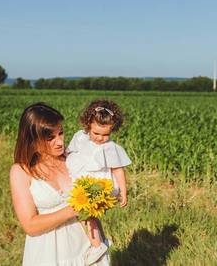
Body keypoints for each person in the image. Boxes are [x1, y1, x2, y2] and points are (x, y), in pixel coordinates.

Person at [9, 102, 110, 265]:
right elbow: (30, 225)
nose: (60, 142)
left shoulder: (73, 159)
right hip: (48, 253)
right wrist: (73, 209)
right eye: (50, 138)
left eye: (61, 133)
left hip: (86, 248)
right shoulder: (21, 171)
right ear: (33, 140)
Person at [66, 99, 131, 262]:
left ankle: (97, 245)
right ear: (88, 125)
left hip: (98, 184)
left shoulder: (110, 147)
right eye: (96, 133)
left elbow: (118, 169)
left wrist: (123, 191)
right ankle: (98, 240)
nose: (101, 138)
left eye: (106, 134)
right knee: (78, 213)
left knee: (86, 213)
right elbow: (68, 152)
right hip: (79, 178)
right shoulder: (79, 137)